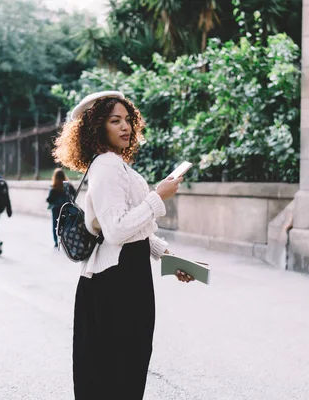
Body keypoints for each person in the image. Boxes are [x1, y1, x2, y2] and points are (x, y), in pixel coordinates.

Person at [53, 90, 194, 400]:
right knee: (119, 369)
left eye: (128, 120)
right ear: (97, 127)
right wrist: (158, 197)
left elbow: (132, 227)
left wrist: (168, 257)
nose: (125, 126)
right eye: (114, 120)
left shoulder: (116, 165)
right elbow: (116, 231)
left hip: (127, 273)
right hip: (115, 283)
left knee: (126, 364)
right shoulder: (105, 166)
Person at [46, 168, 76, 248]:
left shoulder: (54, 187)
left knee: (56, 225)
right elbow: (74, 193)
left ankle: (56, 241)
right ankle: (66, 240)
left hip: (56, 209)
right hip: (66, 209)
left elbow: (49, 199)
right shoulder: (67, 185)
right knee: (67, 225)